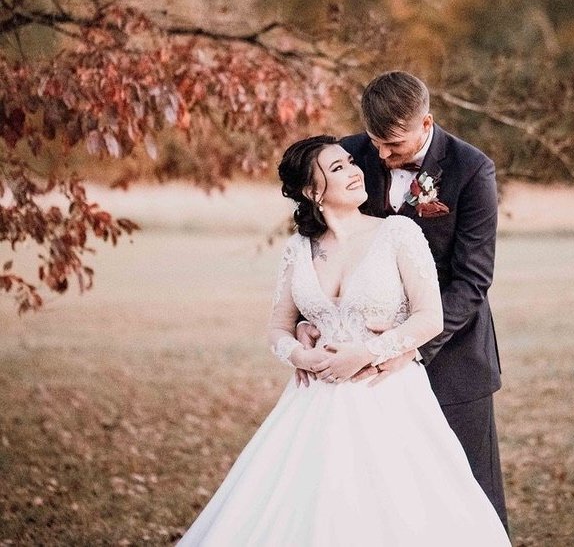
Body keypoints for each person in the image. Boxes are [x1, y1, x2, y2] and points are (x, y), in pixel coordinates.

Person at [177, 135, 510, 546]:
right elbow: (278, 326)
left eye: (351, 162)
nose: (355, 171)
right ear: (312, 191)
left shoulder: (398, 233)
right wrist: (300, 354)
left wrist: (369, 351)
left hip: (388, 395)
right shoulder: (299, 249)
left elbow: (430, 317)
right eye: (338, 169)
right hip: (313, 401)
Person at [296, 71, 508, 530]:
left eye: (395, 145)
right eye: (376, 143)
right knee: (371, 499)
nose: (383, 156)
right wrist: (307, 317)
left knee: (468, 500)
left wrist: (406, 347)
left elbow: (472, 280)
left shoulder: (472, 171)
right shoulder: (348, 155)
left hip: (453, 359)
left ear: (426, 122)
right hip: (359, 376)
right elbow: (317, 241)